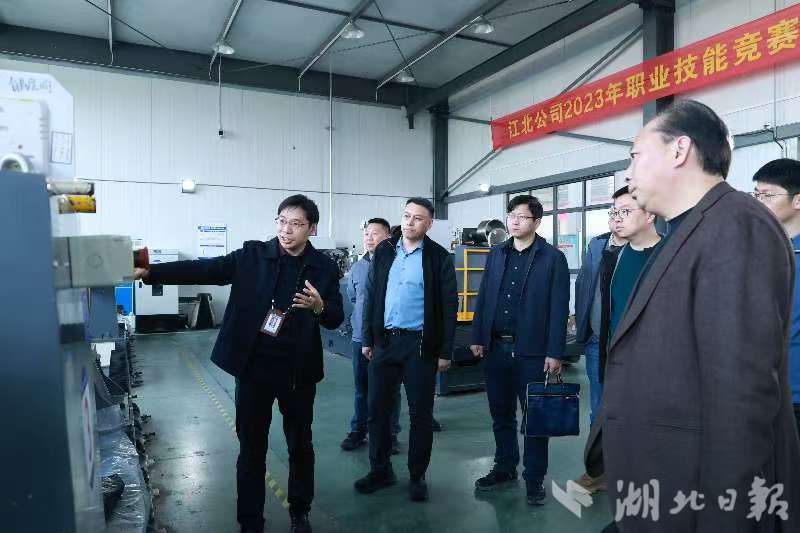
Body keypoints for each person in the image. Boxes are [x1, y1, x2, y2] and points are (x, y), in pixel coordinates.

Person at [584, 99, 800, 532]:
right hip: (667, 475)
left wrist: (726, 518)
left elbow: (740, 397)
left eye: (636, 156)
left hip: (697, 489)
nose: (628, 173)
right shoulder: (688, 229)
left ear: (679, 150)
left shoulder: (736, 227)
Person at [134, 194, 344, 533]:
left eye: (296, 224)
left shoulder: (324, 268)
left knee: (300, 446)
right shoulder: (252, 256)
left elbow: (335, 318)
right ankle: (250, 521)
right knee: (251, 449)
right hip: (253, 370)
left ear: (312, 229)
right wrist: (152, 272)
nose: (286, 230)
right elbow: (206, 268)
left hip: (298, 372)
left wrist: (320, 307)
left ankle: (300, 510)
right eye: (282, 221)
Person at [354, 197, 458, 502]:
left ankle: (417, 476)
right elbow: (371, 296)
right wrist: (368, 339)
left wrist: (445, 351)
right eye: (407, 215)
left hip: (420, 346)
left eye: (418, 218)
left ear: (429, 223)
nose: (410, 222)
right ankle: (380, 470)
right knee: (377, 411)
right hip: (385, 342)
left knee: (420, 415)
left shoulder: (438, 257)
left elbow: (449, 306)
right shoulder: (385, 251)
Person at [469, 194, 570, 506]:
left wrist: (555, 352)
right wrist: (478, 335)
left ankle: (534, 478)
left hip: (533, 352)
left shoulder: (552, 258)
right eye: (511, 215)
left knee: (535, 419)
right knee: (501, 414)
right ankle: (504, 467)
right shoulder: (497, 254)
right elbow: (483, 297)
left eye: (521, 216)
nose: (514, 221)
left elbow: (559, 308)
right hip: (496, 347)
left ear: (536, 222)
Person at [573, 194, 629, 490]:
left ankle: (629, 470)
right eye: (613, 212)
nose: (617, 218)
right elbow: (584, 284)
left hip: (631, 346)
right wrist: (578, 318)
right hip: (597, 341)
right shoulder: (597, 245)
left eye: (625, 212)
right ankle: (598, 472)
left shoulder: (649, 249)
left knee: (632, 408)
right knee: (598, 409)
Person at [341, 218, 402, 453]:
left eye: (374, 233)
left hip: (388, 339)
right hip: (360, 338)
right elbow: (353, 298)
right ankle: (359, 430)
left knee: (390, 389)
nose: (368, 238)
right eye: (366, 234)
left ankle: (390, 433)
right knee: (362, 389)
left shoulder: (397, 264)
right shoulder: (357, 268)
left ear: (387, 237)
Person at [752, 158, 800, 439]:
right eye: (756, 195)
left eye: (768, 195)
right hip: (763, 387)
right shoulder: (759, 249)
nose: (759, 203)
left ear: (797, 200)